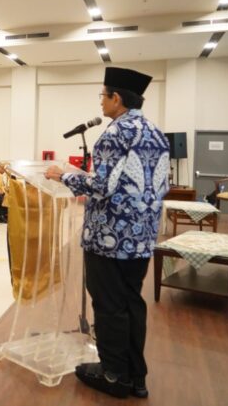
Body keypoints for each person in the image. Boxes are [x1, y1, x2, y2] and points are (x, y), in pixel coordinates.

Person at [45, 67, 170, 399]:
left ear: (117, 98)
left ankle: (114, 374)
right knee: (132, 303)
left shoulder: (116, 133)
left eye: (102, 95)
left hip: (109, 237)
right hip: (142, 238)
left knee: (109, 305)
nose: (100, 102)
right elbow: (161, 185)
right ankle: (135, 375)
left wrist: (63, 176)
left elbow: (101, 185)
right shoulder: (156, 133)